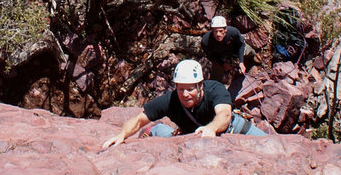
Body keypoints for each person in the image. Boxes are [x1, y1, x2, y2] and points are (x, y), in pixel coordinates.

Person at [101, 59, 266, 149]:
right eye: (181, 89)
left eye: (190, 89)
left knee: (269, 144)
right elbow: (139, 119)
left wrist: (211, 128)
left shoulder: (215, 89)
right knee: (163, 132)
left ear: (200, 85)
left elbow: (224, 114)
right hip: (192, 137)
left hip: (234, 129)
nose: (185, 94)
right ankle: (155, 130)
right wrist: (122, 135)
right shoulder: (171, 99)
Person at [201, 16, 256, 82]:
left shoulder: (233, 32)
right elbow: (210, 56)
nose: (218, 34)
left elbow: (241, 45)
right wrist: (222, 64)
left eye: (221, 31)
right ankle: (216, 84)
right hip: (220, 55)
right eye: (216, 31)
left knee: (249, 51)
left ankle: (254, 61)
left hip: (234, 49)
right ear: (212, 31)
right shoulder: (206, 41)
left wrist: (241, 62)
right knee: (217, 69)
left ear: (225, 30)